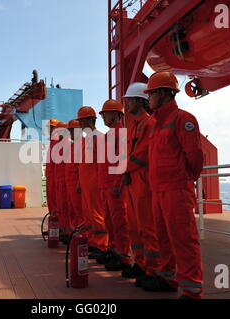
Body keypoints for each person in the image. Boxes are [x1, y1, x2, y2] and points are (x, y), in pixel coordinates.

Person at [144, 71, 204, 299]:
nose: (148, 98)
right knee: (163, 237)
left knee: (183, 239)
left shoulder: (183, 119)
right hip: (158, 190)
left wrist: (185, 179)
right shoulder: (156, 124)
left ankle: (192, 290)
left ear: (161, 93)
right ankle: (168, 278)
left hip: (176, 190)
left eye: (150, 94)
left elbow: (195, 156)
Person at [121, 83, 160, 286]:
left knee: (147, 226)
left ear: (139, 101)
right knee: (134, 226)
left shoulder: (149, 124)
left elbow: (142, 154)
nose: (126, 103)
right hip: (132, 181)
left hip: (143, 181)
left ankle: (153, 270)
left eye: (128, 100)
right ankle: (140, 263)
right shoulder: (134, 126)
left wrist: (126, 170)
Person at [97, 99, 132, 271]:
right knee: (109, 221)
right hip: (106, 185)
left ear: (117, 115)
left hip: (115, 186)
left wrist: (118, 184)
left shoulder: (121, 134)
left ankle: (124, 256)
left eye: (106, 113)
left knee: (120, 221)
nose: (103, 117)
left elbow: (123, 161)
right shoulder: (109, 136)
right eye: (103, 114)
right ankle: (113, 249)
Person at [77, 106, 109, 259]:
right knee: (89, 215)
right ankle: (92, 240)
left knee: (97, 215)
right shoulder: (86, 140)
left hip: (95, 184)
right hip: (86, 184)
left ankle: (102, 245)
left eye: (82, 121)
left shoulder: (100, 138)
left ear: (90, 120)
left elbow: (102, 165)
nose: (80, 124)